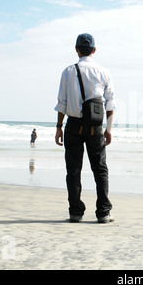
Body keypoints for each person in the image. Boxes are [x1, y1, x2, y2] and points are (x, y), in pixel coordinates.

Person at [54, 33, 115, 224]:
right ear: (94, 50)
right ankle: (103, 212)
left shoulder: (68, 72)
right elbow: (110, 104)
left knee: (73, 170)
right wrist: (109, 129)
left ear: (76, 49)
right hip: (95, 127)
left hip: (73, 125)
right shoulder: (103, 72)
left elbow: (62, 103)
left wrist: (58, 127)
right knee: (100, 169)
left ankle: (75, 211)